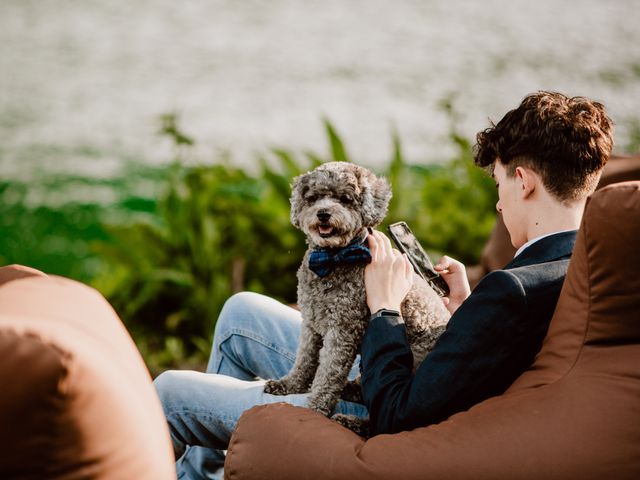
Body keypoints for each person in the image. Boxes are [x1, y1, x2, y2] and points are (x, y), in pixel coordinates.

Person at [154, 91, 613, 479]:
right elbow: (483, 353)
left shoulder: (514, 290)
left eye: (498, 184)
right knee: (241, 313)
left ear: (524, 181)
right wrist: (464, 312)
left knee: (171, 392)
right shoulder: (587, 263)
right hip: (424, 372)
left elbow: (399, 411)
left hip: (374, 403)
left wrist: (385, 307)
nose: (498, 205)